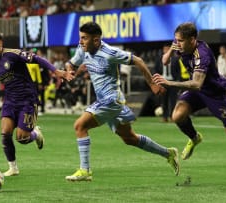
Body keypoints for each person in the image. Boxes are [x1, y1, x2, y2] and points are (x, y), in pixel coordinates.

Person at [152, 22, 226, 187]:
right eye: (176, 40)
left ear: (192, 39)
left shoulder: (202, 55)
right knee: (177, 115)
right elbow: (164, 61)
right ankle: (194, 137)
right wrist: (171, 49)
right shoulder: (181, 45)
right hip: (198, 92)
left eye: (181, 40)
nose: (178, 43)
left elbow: (197, 84)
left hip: (215, 93)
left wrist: (169, 83)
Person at [64, 22, 179, 181]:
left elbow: (138, 60)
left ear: (96, 40)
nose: (81, 41)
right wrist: (70, 70)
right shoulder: (82, 50)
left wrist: (152, 83)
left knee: (79, 126)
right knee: (130, 138)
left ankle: (85, 170)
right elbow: (71, 63)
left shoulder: (110, 53)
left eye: (84, 38)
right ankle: (168, 153)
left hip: (111, 100)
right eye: (80, 38)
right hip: (107, 101)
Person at [0, 27, 74, 176]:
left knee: (22, 138)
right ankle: (13, 168)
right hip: (9, 102)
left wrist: (55, 71)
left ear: (1, 42)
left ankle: (35, 134)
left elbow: (37, 59)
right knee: (5, 133)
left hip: (27, 100)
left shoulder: (13, 54)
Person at [154, 44, 181, 122]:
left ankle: (172, 116)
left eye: (168, 49)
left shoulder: (175, 59)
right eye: (165, 49)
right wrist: (157, 81)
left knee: (173, 101)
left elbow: (178, 72)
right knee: (164, 101)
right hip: (163, 83)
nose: (166, 50)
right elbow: (156, 70)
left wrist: (177, 81)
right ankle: (164, 117)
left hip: (172, 82)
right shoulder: (159, 59)